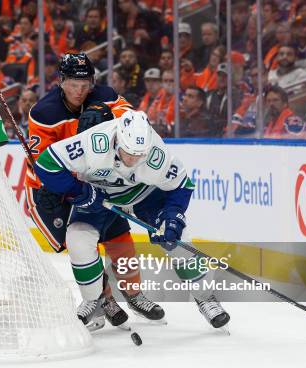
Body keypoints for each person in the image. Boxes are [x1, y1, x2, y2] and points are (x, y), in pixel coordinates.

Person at [33, 110, 230, 330]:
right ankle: (94, 300)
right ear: (117, 139)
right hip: (98, 197)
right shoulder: (93, 141)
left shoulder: (157, 153)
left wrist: (173, 217)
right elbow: (46, 164)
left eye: (139, 156)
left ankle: (206, 297)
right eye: (128, 153)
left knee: (178, 239)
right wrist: (79, 192)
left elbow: (182, 185)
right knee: (78, 239)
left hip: (143, 195)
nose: (133, 160)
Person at [26, 53, 164, 330]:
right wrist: (57, 190)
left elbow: (133, 119)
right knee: (80, 246)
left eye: (85, 83)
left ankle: (134, 294)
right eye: (74, 83)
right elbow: (42, 163)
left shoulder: (106, 95)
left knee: (119, 237)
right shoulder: (44, 113)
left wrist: (109, 115)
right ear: (61, 82)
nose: (80, 90)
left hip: (96, 181)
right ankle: (104, 300)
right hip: (53, 190)